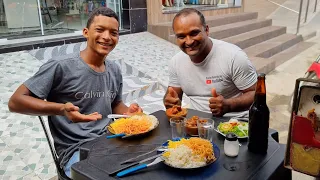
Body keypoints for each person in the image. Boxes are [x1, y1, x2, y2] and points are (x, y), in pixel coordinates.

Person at [8, 7, 142, 178]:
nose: (107, 37)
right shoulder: (61, 66)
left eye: (113, 33)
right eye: (100, 30)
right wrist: (61, 109)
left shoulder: (114, 69)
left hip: (109, 141)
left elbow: (115, 104)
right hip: (76, 150)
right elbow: (15, 102)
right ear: (86, 32)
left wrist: (128, 112)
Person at [163, 8, 257, 119]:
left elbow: (256, 93)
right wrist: (169, 101)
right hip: (195, 123)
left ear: (206, 30)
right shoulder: (176, 62)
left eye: (194, 33)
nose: (189, 41)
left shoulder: (234, 56)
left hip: (235, 124)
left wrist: (229, 105)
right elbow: (173, 96)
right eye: (181, 36)